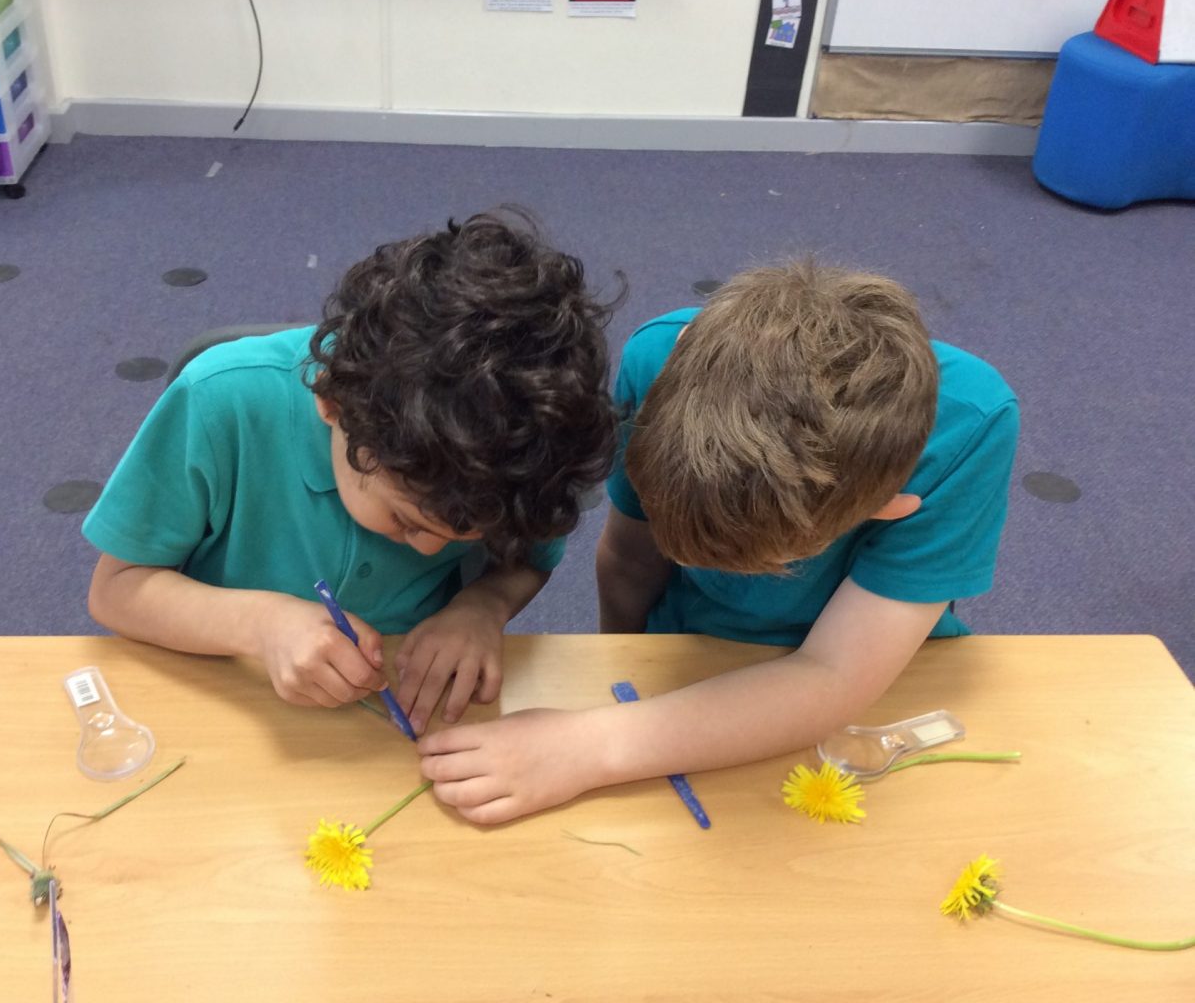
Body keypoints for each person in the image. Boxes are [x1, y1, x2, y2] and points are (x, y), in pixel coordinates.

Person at [418, 260, 1019, 823]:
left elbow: (834, 673)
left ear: (884, 506)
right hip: (690, 661)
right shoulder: (660, 363)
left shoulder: (970, 425)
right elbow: (629, 559)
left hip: (869, 683)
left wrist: (593, 744)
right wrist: (618, 663)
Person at [83, 210, 618, 734]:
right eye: (406, 520)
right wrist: (260, 626)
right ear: (334, 405)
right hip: (223, 689)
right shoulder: (220, 401)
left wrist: (483, 604)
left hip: (395, 700)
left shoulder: (524, 455)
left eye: (468, 537)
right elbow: (116, 590)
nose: (431, 551)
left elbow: (527, 561)